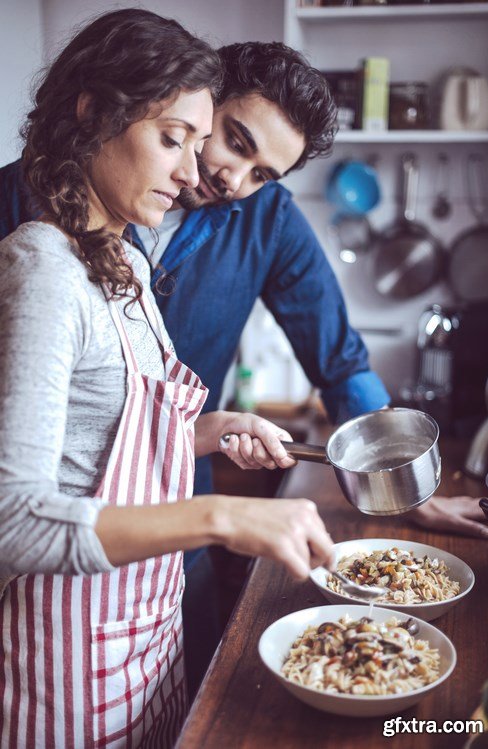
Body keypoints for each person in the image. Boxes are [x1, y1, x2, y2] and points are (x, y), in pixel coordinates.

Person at [0, 10, 337, 747]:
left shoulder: (123, 260)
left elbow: (102, 429)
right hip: (67, 647)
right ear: (96, 112)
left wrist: (211, 431)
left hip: (138, 639)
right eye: (175, 140)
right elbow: (14, 517)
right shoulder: (42, 264)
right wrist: (223, 514)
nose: (200, 174)